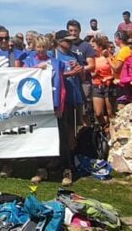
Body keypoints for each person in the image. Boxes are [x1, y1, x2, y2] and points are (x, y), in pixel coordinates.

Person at [24, 35, 66, 184]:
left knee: (60, 137)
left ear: (48, 47)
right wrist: (36, 69)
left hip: (53, 104)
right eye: (38, 47)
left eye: (43, 47)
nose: (41, 50)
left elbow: (61, 85)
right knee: (39, 137)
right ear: (34, 47)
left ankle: (63, 169)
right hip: (36, 105)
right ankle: (41, 169)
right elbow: (22, 76)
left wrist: (60, 105)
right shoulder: (29, 61)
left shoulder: (56, 63)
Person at [53, 29, 84, 187]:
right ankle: (63, 164)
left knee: (72, 131)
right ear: (59, 41)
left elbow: (83, 77)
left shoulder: (75, 56)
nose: (71, 43)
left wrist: (79, 71)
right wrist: (71, 72)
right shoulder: (54, 55)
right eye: (68, 40)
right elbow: (53, 76)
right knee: (62, 133)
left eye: (72, 40)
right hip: (61, 99)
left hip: (74, 97)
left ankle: (70, 160)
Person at [67, 19, 96, 123]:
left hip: (83, 82)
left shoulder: (86, 46)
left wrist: (80, 68)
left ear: (79, 31)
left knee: (84, 111)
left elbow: (92, 65)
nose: (73, 33)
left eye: (75, 30)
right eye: (71, 31)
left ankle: (86, 135)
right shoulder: (66, 46)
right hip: (69, 82)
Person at [90, 36, 116, 129]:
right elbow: (90, 73)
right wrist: (94, 74)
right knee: (98, 113)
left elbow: (115, 73)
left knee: (110, 113)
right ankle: (105, 127)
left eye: (93, 46)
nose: (92, 48)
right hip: (97, 86)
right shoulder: (92, 59)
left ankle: (111, 130)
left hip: (108, 86)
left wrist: (108, 78)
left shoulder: (108, 57)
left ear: (100, 47)